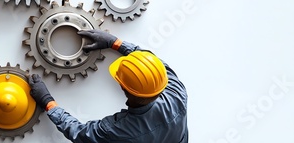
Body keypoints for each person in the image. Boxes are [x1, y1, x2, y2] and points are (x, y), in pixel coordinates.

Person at [28, 30, 188, 143]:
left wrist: (48, 102)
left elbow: (81, 134)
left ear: (123, 88)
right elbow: (149, 60)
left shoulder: (120, 130)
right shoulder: (176, 92)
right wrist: (115, 43)